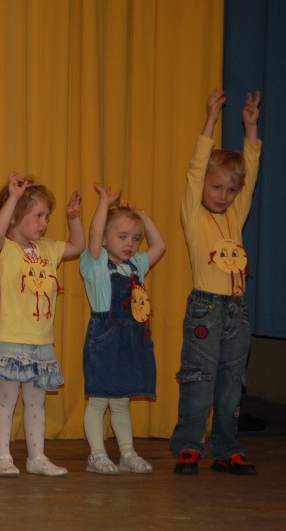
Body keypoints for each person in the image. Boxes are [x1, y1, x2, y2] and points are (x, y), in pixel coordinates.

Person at [170, 88, 262, 475]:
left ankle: (226, 449)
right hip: (205, 309)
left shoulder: (234, 215)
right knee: (198, 379)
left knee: (231, 382)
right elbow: (196, 169)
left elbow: (250, 173)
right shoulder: (194, 215)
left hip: (236, 311)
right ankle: (189, 447)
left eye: (230, 190)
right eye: (216, 187)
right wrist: (210, 119)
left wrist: (250, 128)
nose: (223, 196)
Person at [0, 173, 84, 478]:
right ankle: (2, 457)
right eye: (37, 215)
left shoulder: (47, 249)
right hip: (12, 340)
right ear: (14, 217)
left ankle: (37, 457)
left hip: (42, 343)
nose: (43, 223)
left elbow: (78, 245)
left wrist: (73, 218)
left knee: (36, 404)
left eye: (46, 216)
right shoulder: (5, 250)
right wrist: (12, 197)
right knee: (6, 401)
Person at [79, 184, 166, 475]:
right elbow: (94, 234)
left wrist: (143, 216)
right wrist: (104, 203)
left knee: (121, 402)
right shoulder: (95, 263)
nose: (130, 243)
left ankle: (127, 454)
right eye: (122, 236)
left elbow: (160, 246)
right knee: (98, 400)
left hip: (131, 338)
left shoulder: (136, 266)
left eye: (136, 238)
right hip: (105, 336)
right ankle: (97, 455)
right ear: (105, 240)